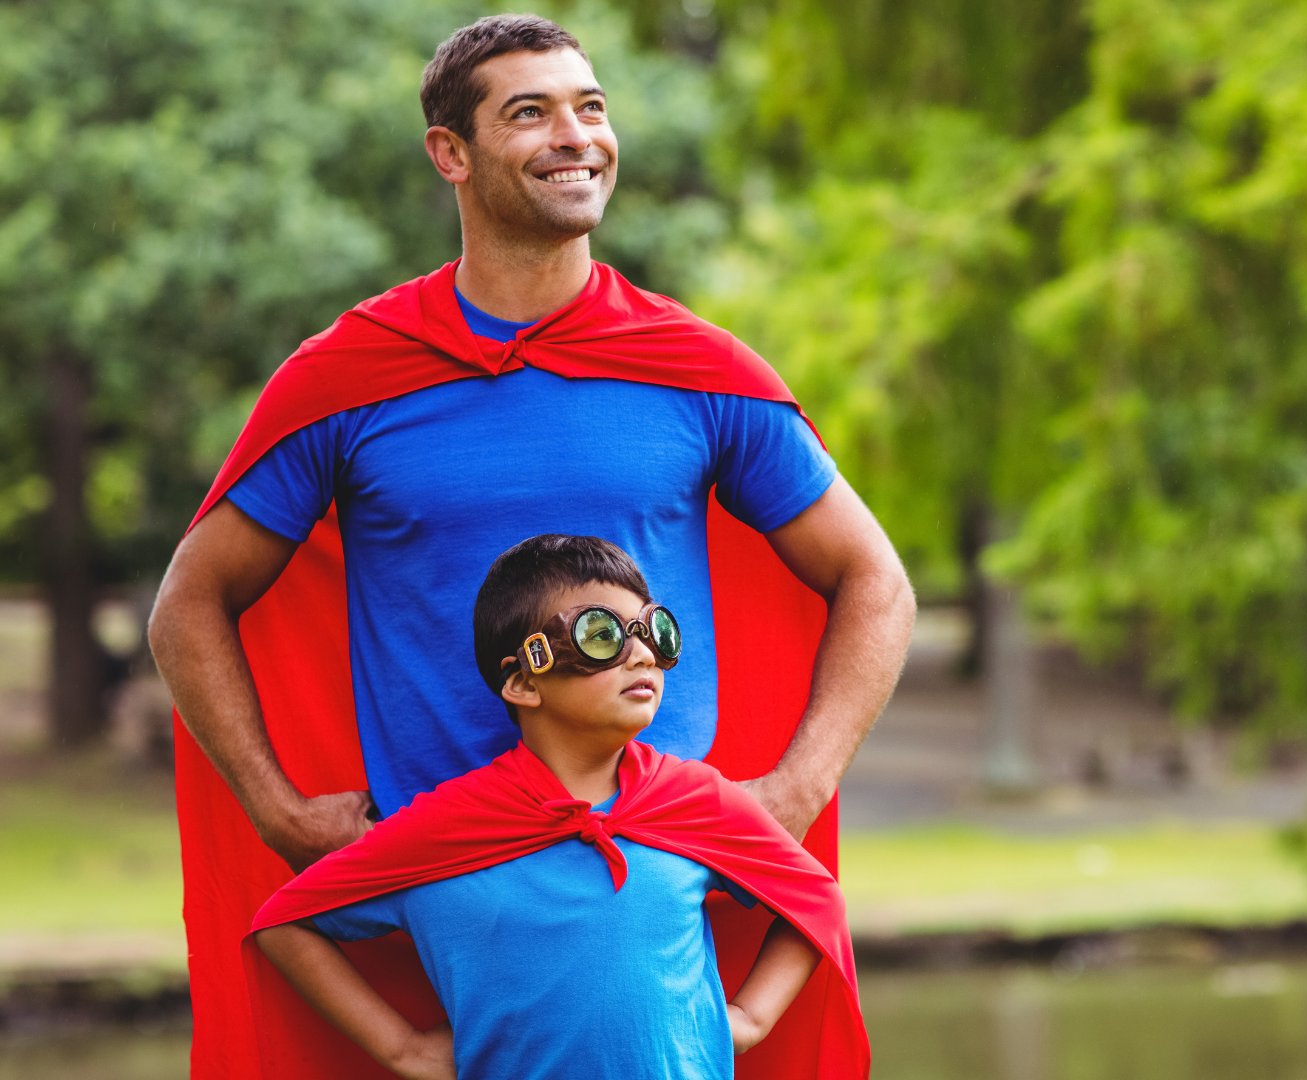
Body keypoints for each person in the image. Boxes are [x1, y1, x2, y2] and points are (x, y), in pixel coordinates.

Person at [146, 14, 913, 1080]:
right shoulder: (352, 376)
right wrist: (278, 808)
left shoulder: (695, 369)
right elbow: (189, 602)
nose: (576, 135)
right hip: (438, 887)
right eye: (531, 113)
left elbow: (874, 578)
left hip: (652, 885)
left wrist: (794, 789)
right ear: (449, 153)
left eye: (591, 107)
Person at [251, 535, 866, 1080]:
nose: (643, 653)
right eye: (602, 634)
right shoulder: (447, 828)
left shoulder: (695, 800)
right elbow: (285, 924)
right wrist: (405, 1050)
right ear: (523, 679)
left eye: (654, 632)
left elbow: (815, 898)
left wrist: (748, 1019)